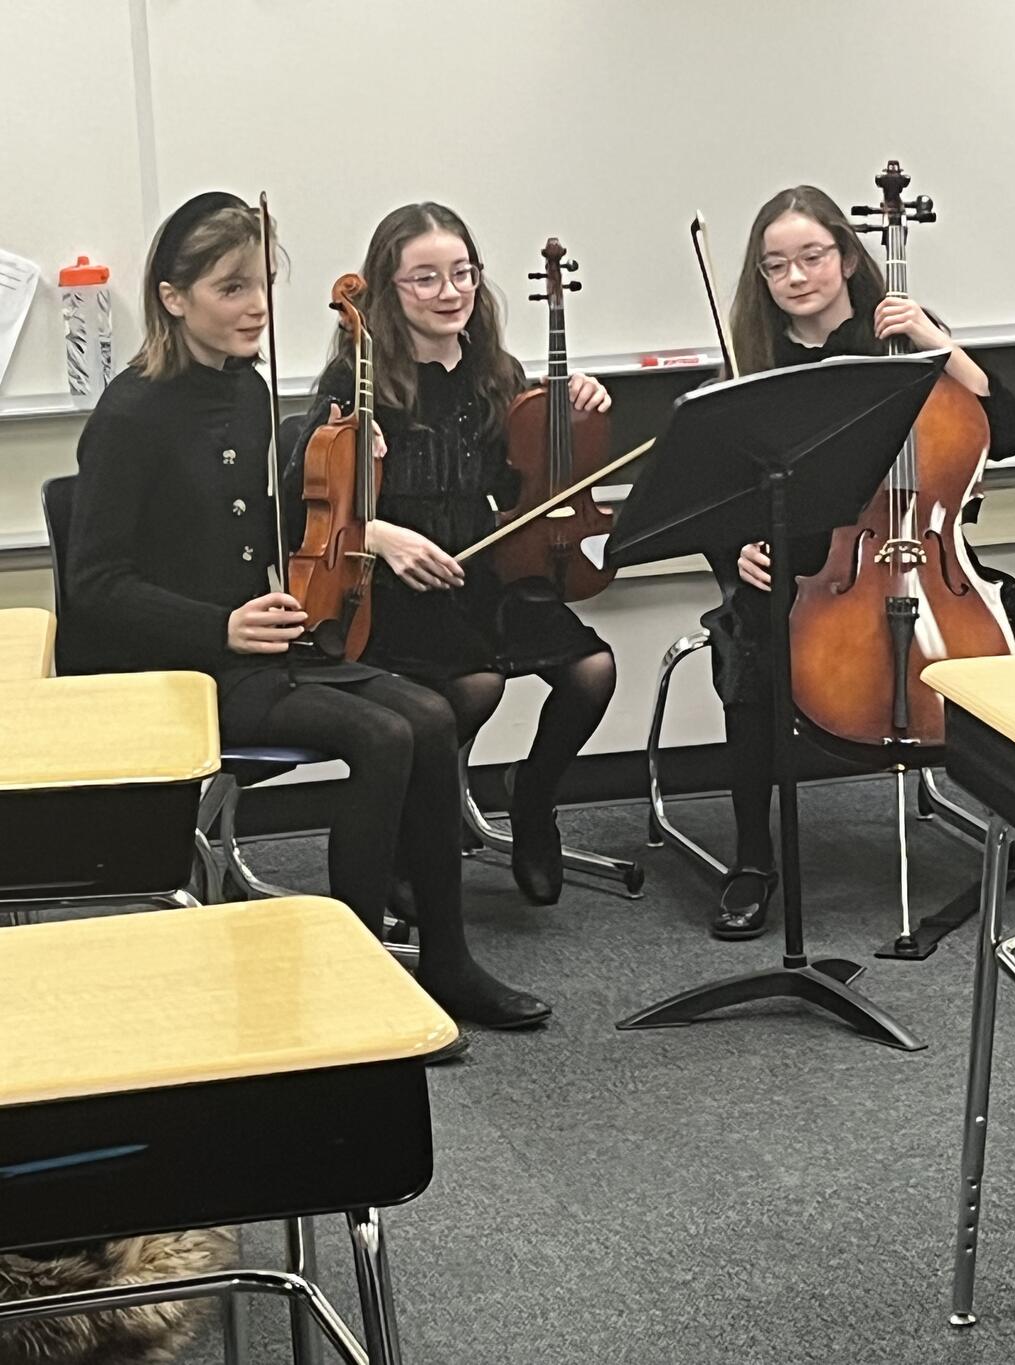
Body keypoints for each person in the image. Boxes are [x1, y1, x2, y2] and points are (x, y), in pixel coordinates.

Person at [64, 189, 550, 1032]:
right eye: (231, 288)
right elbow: (95, 584)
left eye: (262, 283)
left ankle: (447, 962)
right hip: (180, 668)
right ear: (173, 298)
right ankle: (352, 984)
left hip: (263, 646)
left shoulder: (247, 388)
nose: (256, 306)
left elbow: (265, 518)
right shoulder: (131, 413)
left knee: (432, 716)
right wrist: (219, 626)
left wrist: (355, 466)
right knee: (384, 733)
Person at [703, 184, 1015, 940]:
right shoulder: (756, 365)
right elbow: (714, 491)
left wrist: (943, 348)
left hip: (927, 555)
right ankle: (753, 860)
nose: (795, 276)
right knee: (751, 646)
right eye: (775, 265)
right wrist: (736, 550)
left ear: (847, 258)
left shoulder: (904, 344)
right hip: (806, 565)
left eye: (811, 256)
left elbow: (1007, 432)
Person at [296, 202, 617, 906]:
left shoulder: (496, 372)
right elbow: (304, 503)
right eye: (426, 278)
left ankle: (532, 799)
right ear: (389, 290)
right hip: (397, 589)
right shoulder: (357, 381)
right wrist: (380, 536)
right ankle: (407, 834)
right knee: (476, 686)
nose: (450, 292)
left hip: (483, 572)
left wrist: (570, 407)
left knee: (592, 669)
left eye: (462, 273)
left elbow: (525, 476)